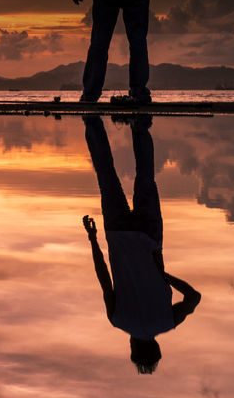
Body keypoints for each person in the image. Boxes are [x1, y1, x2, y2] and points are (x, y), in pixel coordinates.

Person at [81, 114, 200, 374]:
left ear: (156, 347)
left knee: (145, 177)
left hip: (148, 238)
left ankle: (140, 121)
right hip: (117, 234)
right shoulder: (118, 320)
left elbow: (194, 297)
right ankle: (91, 120)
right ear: (132, 347)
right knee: (106, 176)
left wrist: (164, 276)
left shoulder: (167, 321)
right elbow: (104, 279)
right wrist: (92, 239)